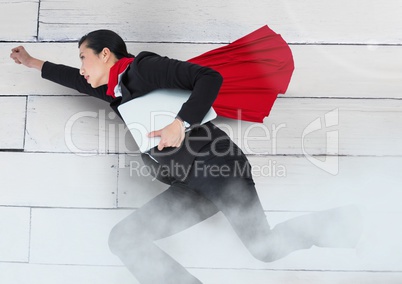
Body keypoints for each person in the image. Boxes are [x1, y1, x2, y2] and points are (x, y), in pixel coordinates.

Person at [10, 28, 362, 284]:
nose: (82, 67)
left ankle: (355, 222)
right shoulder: (118, 92)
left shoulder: (143, 69)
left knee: (265, 248)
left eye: (84, 57)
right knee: (124, 238)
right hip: (189, 186)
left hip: (218, 168)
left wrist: (181, 122)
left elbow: (210, 77)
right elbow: (74, 79)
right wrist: (32, 63)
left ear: (106, 54)